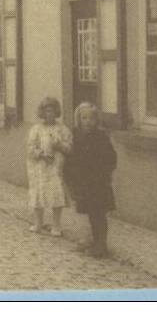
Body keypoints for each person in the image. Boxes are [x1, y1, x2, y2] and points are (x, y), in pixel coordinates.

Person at [65, 102, 117, 258]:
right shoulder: (75, 136)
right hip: (82, 182)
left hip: (98, 182)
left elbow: (111, 158)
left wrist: (104, 172)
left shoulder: (101, 137)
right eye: (84, 118)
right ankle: (92, 241)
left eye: (91, 118)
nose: (87, 122)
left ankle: (101, 244)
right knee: (89, 213)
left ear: (97, 120)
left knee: (98, 214)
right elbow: (70, 157)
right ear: (78, 119)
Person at [25, 97, 72, 237]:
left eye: (51, 111)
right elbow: (30, 147)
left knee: (56, 193)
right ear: (42, 113)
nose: (49, 114)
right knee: (38, 193)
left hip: (55, 167)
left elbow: (69, 147)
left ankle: (56, 225)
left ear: (56, 112)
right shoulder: (36, 129)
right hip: (40, 166)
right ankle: (38, 223)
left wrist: (59, 146)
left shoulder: (62, 129)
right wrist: (40, 154)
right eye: (46, 111)